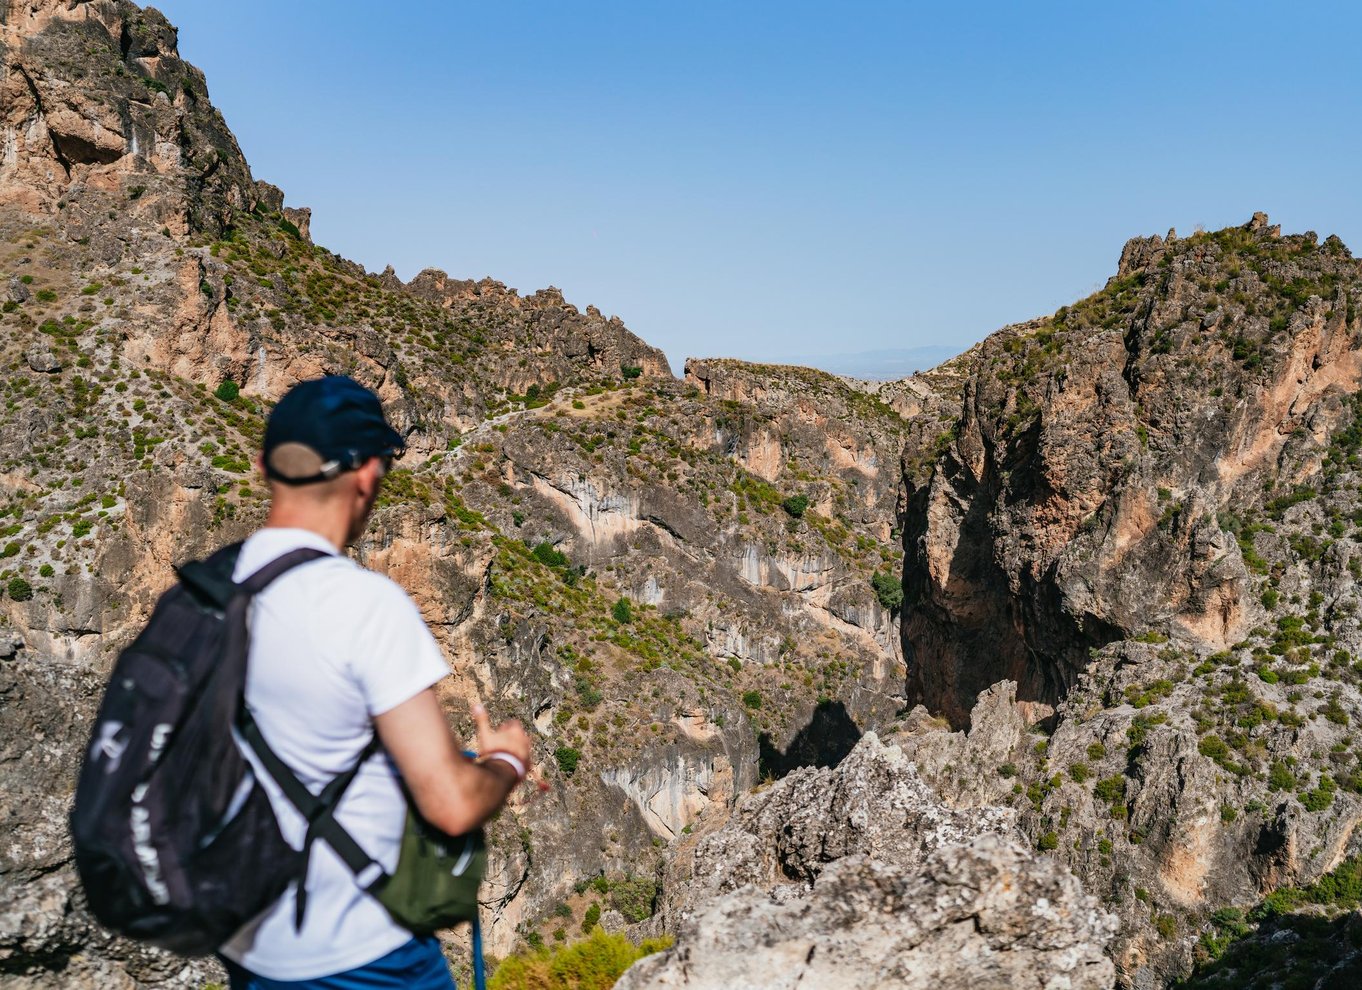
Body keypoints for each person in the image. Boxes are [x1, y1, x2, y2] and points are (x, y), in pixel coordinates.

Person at [217, 375, 533, 989]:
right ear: (366, 474)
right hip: (362, 956)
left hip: (251, 950)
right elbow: (452, 805)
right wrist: (504, 763)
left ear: (264, 466)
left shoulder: (207, 593)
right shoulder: (361, 603)